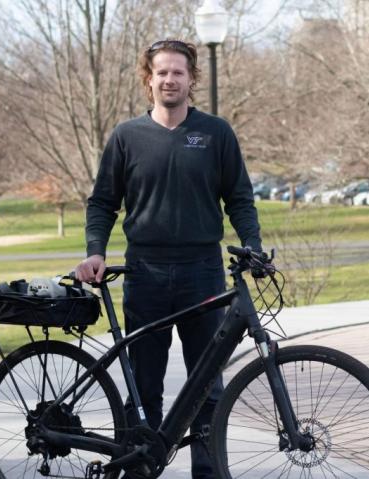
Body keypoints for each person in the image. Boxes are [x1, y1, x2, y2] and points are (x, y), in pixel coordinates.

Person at [75, 39, 261, 478]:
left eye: (178, 72)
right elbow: (102, 202)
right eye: (161, 72)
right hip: (146, 274)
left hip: (203, 274)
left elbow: (239, 198)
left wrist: (252, 243)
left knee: (208, 389)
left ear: (192, 79)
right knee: (143, 390)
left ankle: (207, 474)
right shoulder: (126, 136)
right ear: (149, 79)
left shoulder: (216, 133)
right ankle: (139, 470)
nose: (170, 79)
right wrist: (95, 251)